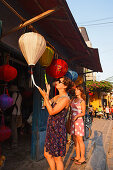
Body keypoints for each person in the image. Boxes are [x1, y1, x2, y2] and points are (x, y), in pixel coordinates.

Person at [38, 76, 73, 170]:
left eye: (60, 81)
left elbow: (52, 111)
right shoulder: (57, 96)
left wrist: (45, 96)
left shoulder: (65, 99)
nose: (57, 82)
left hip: (58, 129)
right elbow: (46, 104)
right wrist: (47, 94)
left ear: (65, 86)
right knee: (47, 154)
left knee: (57, 158)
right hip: (51, 128)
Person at [70, 85, 86, 165]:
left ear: (81, 91)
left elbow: (83, 113)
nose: (76, 91)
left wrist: (76, 116)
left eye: (77, 90)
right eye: (75, 90)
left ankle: (82, 158)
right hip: (73, 121)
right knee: (75, 139)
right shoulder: (73, 99)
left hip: (78, 121)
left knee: (80, 140)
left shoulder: (82, 101)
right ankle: (77, 156)